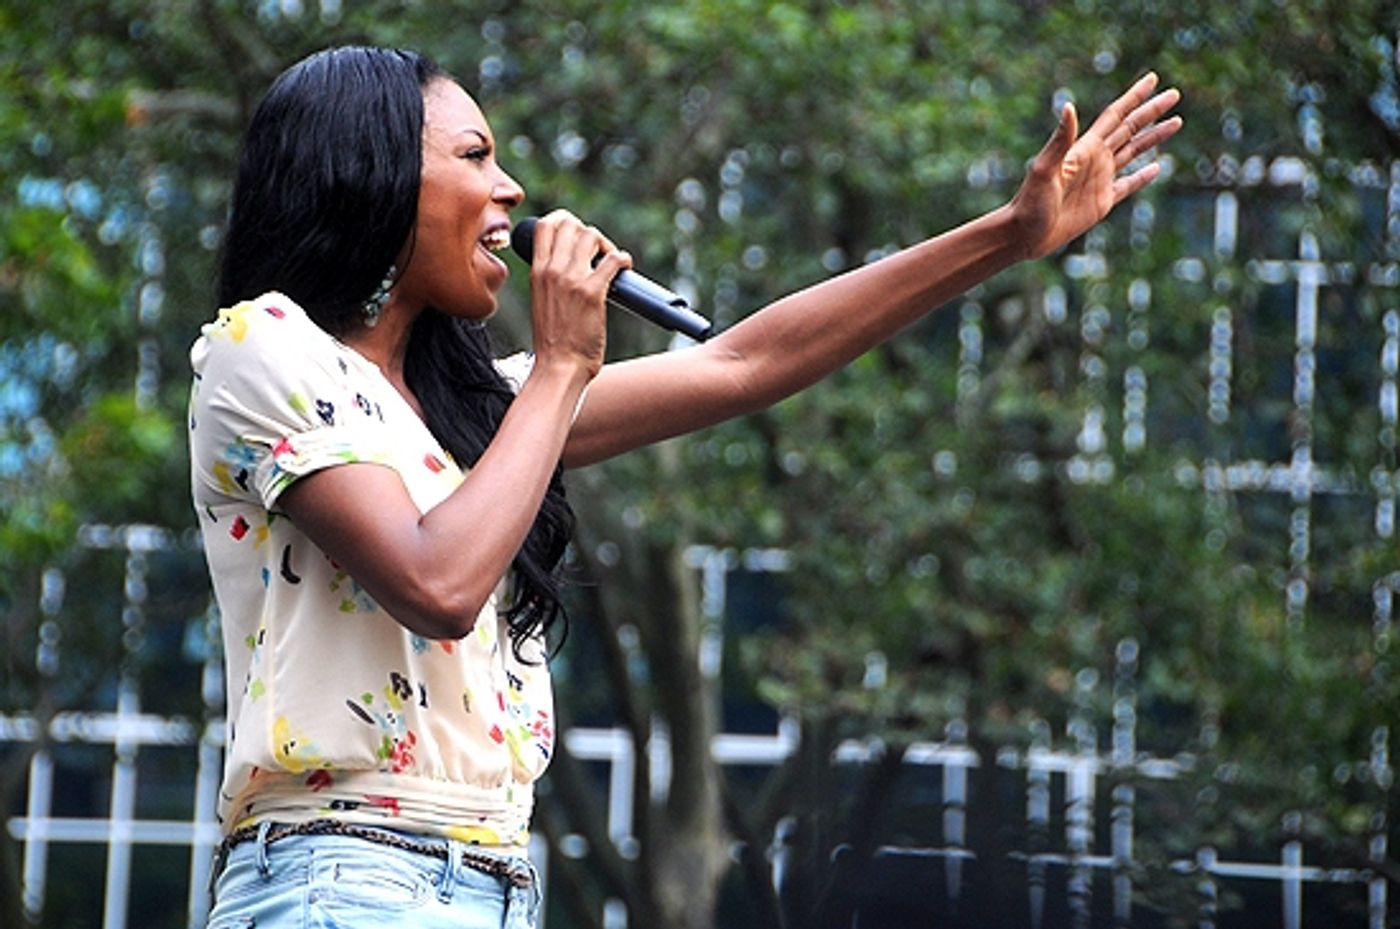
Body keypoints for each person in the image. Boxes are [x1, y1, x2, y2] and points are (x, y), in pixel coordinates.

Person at [189, 44, 1180, 929]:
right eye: (474, 156)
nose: (512, 189)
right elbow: (435, 583)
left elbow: (737, 363)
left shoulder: (471, 415)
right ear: (373, 175)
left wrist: (1004, 234)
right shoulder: (260, 349)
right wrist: (562, 365)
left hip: (491, 879)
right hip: (339, 875)